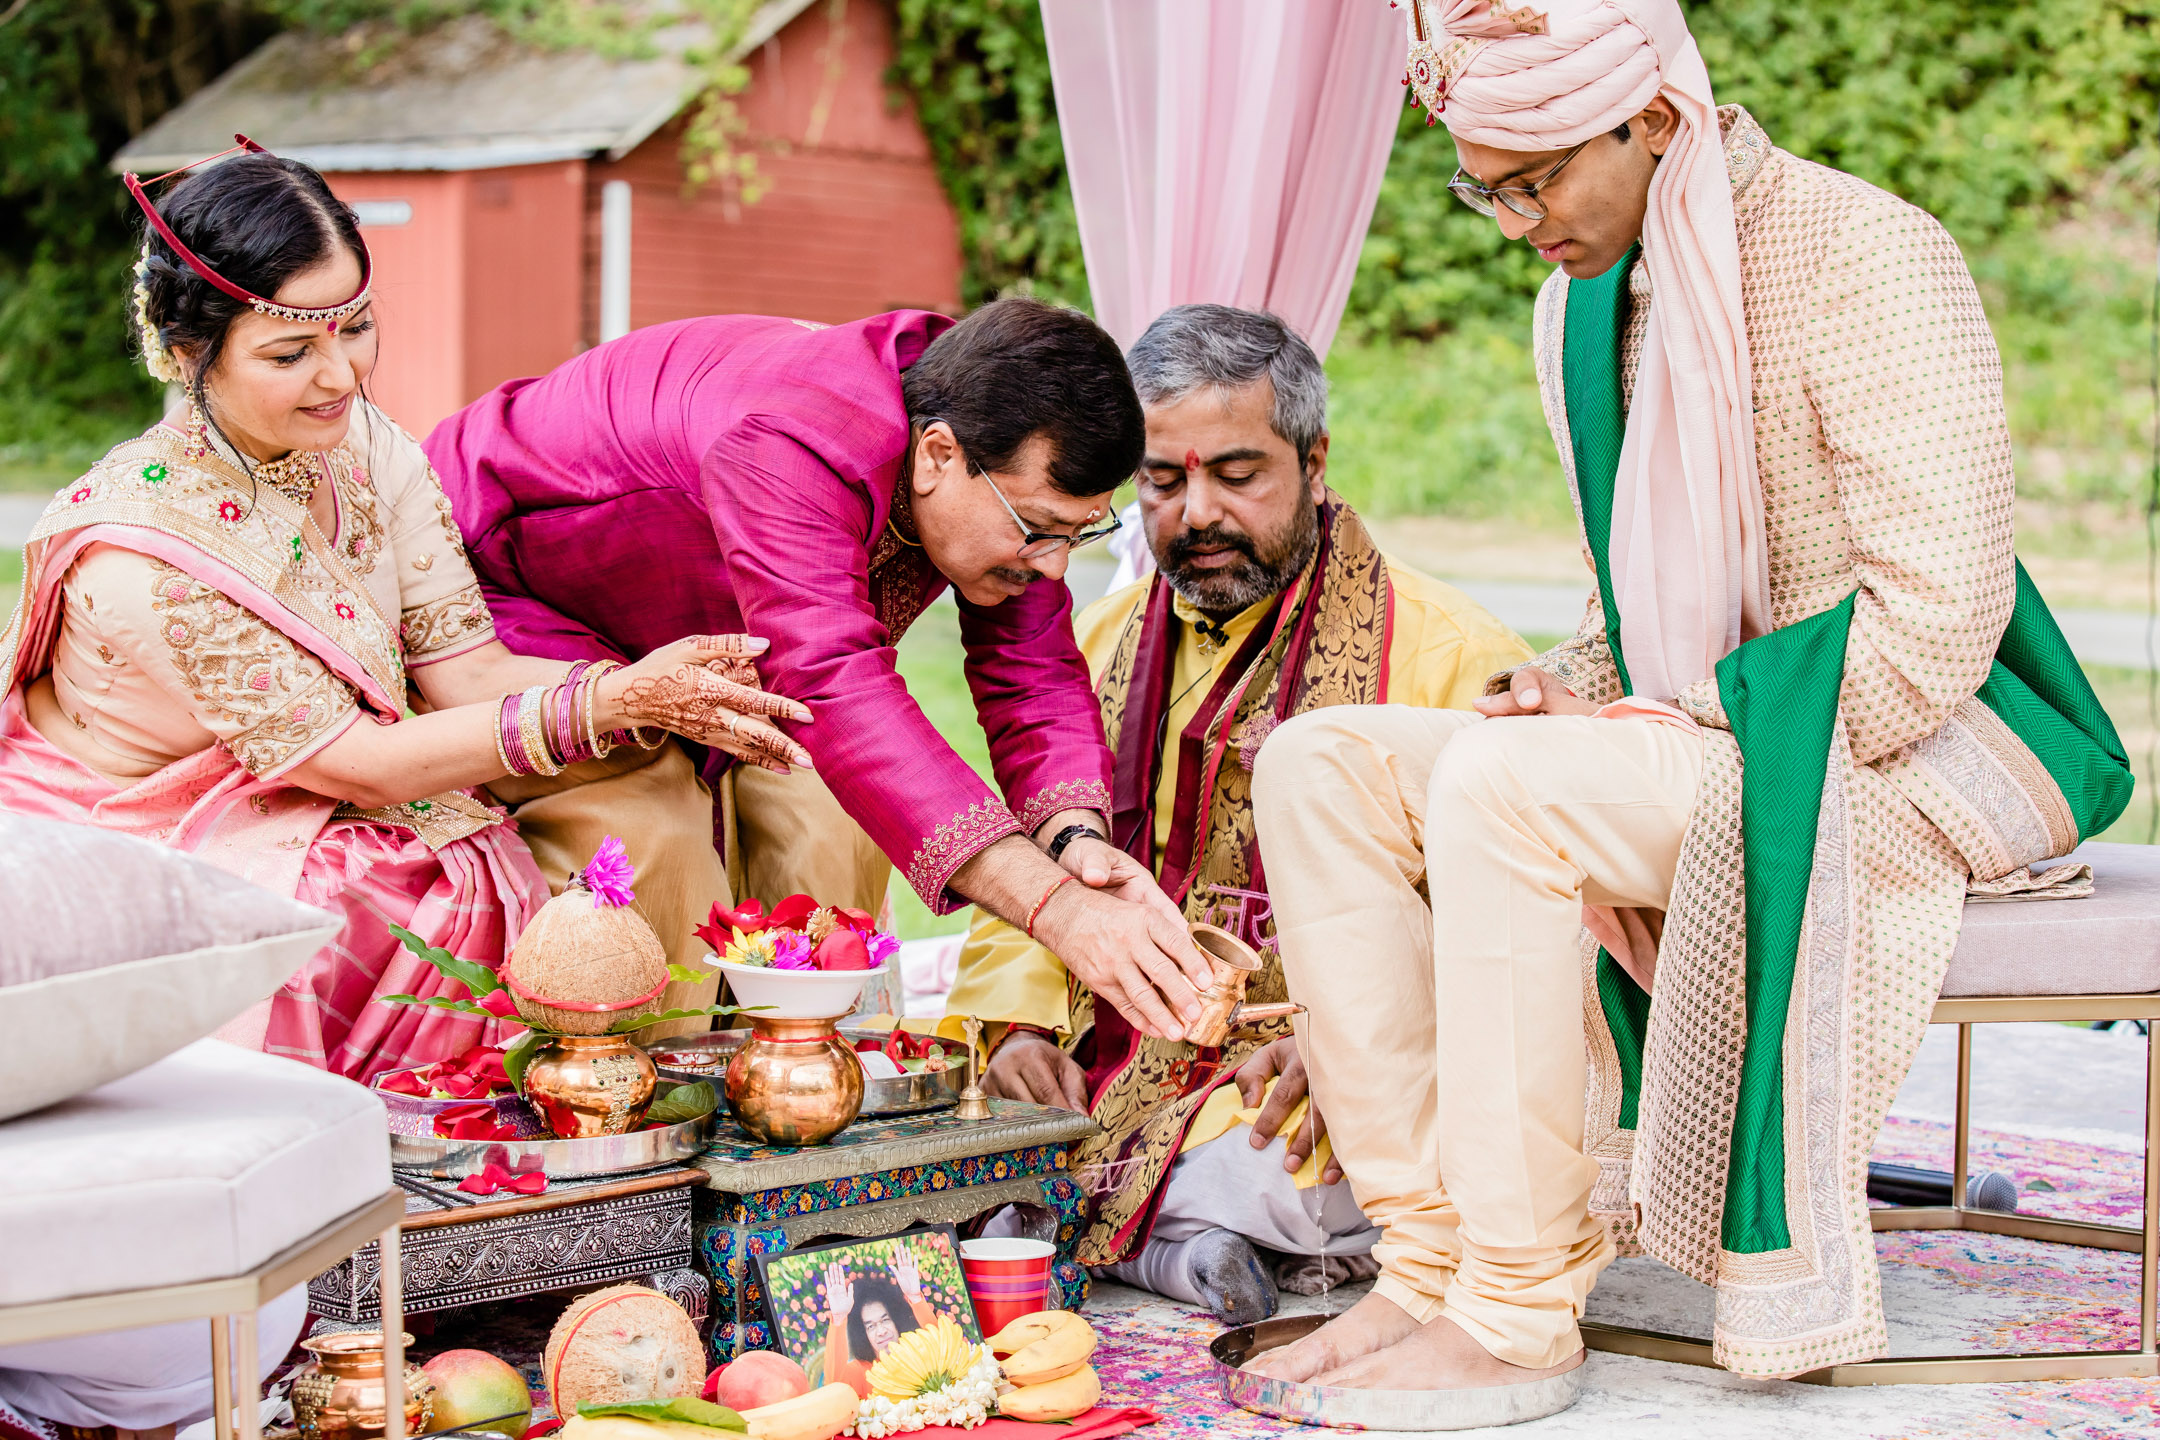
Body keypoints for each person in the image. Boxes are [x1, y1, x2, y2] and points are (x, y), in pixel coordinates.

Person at [1245, 0, 2131, 1411]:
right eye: (1485, 186)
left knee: (1501, 790)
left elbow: (1940, 619)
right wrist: (1572, 686)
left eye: (1536, 180)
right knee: (1321, 764)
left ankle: (1520, 1313)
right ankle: (1429, 1265)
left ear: (1655, 120)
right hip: (1706, 728)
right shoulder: (1579, 309)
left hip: (1899, 740)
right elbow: (1635, 603)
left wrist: (1683, 724)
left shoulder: (1866, 253)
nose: (1514, 222)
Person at [0, 141, 808, 1082]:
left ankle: (641, 1106)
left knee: (659, 792)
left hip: (324, 780)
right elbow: (365, 766)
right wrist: (609, 705)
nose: (341, 376)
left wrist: (658, 692)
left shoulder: (364, 448)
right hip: (157, 834)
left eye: (356, 327)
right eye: (291, 351)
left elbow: (462, 670)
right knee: (376, 891)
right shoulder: (145, 551)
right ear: (187, 354)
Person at [946, 304, 1530, 1324]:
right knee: (942, 1116)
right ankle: (1190, 1248)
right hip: (1120, 1053)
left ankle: (1145, 1236)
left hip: (1310, 1073)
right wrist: (1013, 1034)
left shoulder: (1447, 652)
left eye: (1237, 474)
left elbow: (1509, 915)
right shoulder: (1099, 639)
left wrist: (1363, 1040)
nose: (1196, 515)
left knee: (1317, 1161)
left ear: (1314, 459)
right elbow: (1035, 856)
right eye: (1164, 483)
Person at [425, 301, 1215, 1041]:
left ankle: (798, 1102)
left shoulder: (982, 421)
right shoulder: (796, 441)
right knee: (649, 827)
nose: (1051, 567)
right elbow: (835, 685)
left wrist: (1074, 841)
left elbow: (1033, 673)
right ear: (939, 455)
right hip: (509, 585)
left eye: (1075, 536)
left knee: (835, 825)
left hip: (731, 634)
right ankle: (648, 1124)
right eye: (1039, 530)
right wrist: (1055, 911)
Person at [816, 1254, 936, 1397]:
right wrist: (838, 1319)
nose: (881, 1331)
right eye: (871, 1327)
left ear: (897, 1320)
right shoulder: (861, 1372)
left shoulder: (919, 1353)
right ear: (863, 1335)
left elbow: (942, 1344)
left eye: (885, 1320)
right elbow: (834, 1387)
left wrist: (916, 1298)